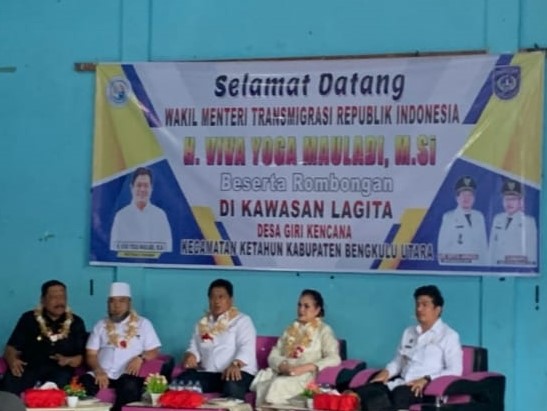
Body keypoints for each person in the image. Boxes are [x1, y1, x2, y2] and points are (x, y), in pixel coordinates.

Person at [355, 285, 462, 411]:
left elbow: (455, 370)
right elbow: (398, 362)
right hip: (401, 383)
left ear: (437, 309)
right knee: (365, 392)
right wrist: (386, 373)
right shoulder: (409, 332)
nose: (419, 309)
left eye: (424, 305)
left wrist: (427, 379)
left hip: (425, 389)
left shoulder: (449, 336)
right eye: (417, 304)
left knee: (395, 396)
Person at [251, 289, 341, 405]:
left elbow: (334, 358)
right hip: (283, 373)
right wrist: (281, 365)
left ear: (317, 310)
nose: (301, 309)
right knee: (266, 385)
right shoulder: (290, 329)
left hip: (305, 377)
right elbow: (274, 354)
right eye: (299, 305)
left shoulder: (324, 330)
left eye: (306, 306)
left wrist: (307, 367)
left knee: (278, 384)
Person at [80, 282, 162, 411]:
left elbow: (154, 350)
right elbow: (91, 354)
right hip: (102, 373)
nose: (116, 305)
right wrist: (98, 370)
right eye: (112, 301)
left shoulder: (143, 324)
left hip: (128, 374)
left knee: (130, 386)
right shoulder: (100, 325)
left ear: (129, 303)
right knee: (83, 383)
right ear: (107, 304)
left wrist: (140, 358)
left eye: (121, 301)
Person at [173, 278, 257, 400]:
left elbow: (246, 348)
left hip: (238, 372)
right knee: (181, 382)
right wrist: (190, 356)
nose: (216, 301)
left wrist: (235, 364)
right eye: (212, 297)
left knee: (232, 385)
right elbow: (193, 348)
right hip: (210, 374)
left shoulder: (242, 321)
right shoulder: (202, 323)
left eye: (221, 297)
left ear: (231, 300)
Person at [1, 280, 87, 395]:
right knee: (8, 389)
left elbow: (81, 358)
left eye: (63, 297)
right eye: (54, 297)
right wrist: (12, 360)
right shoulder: (28, 318)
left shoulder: (76, 322)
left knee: (56, 387)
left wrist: (68, 360)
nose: (59, 301)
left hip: (59, 371)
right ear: (43, 300)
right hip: (29, 367)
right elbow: (11, 348)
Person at [110, 167, 172, 253]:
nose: (142, 189)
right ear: (132, 187)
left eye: (146, 186)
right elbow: (114, 249)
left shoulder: (160, 216)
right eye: (139, 185)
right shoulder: (121, 216)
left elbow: (167, 248)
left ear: (151, 188)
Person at [437, 176, 488, 265]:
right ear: (457, 198)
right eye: (463, 194)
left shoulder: (479, 217)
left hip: (477, 267)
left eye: (469, 195)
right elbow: (442, 251)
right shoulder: (449, 218)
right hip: (457, 268)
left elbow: (484, 247)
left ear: (474, 198)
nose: (466, 198)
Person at [489, 179, 537, 266]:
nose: (509, 203)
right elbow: (492, 249)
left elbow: (532, 253)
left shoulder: (528, 222)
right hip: (497, 269)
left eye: (513, 199)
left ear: (520, 201)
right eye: (506, 199)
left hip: (517, 269)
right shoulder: (497, 219)